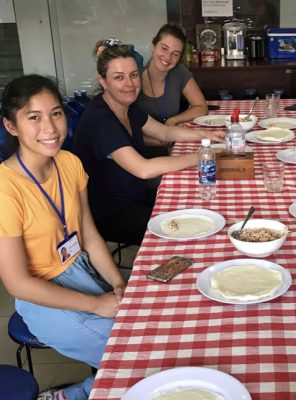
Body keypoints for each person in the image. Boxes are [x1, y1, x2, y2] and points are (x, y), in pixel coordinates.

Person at [0, 74, 126, 400]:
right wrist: (97, 303)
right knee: (133, 352)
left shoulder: (68, 163)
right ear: (11, 126)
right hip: (43, 296)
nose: (51, 128)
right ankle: (73, 395)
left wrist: (116, 283)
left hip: (82, 269)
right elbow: (17, 283)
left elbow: (89, 235)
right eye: (34, 117)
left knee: (153, 309)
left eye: (56, 113)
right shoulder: (5, 188)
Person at [73, 41, 223, 247]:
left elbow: (165, 131)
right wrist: (201, 156)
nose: (129, 84)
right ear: (103, 81)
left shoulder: (127, 106)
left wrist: (205, 134)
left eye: (134, 75)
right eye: (119, 77)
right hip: (112, 213)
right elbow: (143, 169)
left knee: (197, 203)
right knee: (191, 229)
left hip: (137, 196)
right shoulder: (101, 120)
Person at [137, 24, 208, 127]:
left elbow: (201, 106)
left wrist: (173, 120)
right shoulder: (134, 78)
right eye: (164, 48)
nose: (168, 57)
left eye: (175, 54)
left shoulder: (178, 71)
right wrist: (163, 140)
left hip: (171, 138)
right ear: (153, 46)